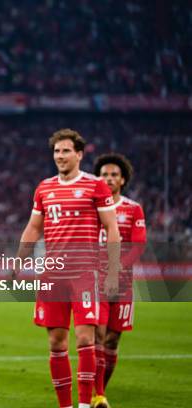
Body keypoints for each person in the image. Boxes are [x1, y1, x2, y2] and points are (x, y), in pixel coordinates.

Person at [15, 129, 121, 408]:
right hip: (52, 274)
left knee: (86, 337)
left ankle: (86, 403)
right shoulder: (44, 188)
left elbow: (112, 228)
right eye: (56, 152)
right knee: (56, 343)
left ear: (79, 154)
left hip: (85, 273)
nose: (60, 156)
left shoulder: (96, 186)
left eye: (65, 151)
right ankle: (65, 406)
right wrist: (19, 260)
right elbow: (33, 228)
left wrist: (111, 272)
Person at [91, 153, 146, 408]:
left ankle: (98, 392)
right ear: (98, 179)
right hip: (94, 282)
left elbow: (138, 246)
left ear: (122, 179)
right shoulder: (90, 207)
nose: (109, 178)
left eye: (114, 174)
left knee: (112, 340)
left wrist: (117, 269)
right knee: (97, 336)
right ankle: (98, 394)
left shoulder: (133, 208)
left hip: (122, 283)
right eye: (104, 174)